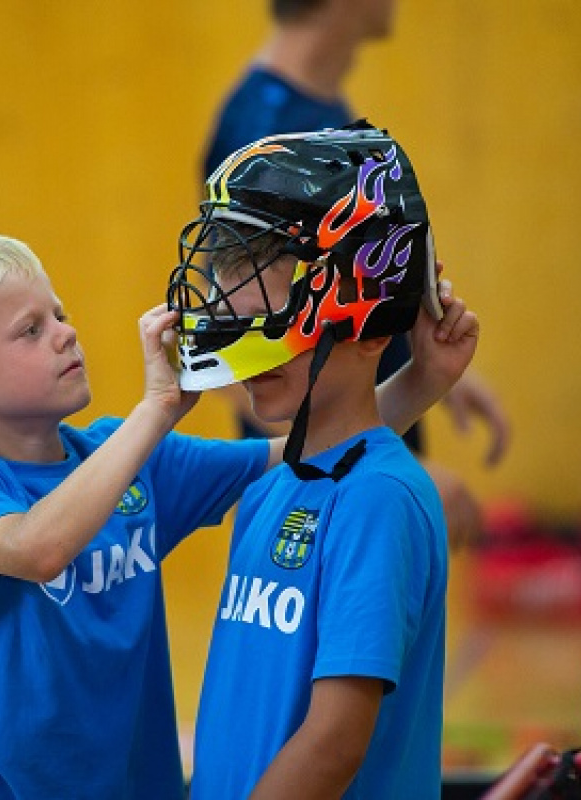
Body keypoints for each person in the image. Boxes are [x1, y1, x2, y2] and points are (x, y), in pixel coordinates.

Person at [0, 233, 468, 798]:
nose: (66, 333)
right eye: (30, 330)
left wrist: (422, 380)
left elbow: (307, 453)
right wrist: (156, 411)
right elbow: (37, 548)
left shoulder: (133, 461)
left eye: (60, 313)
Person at [168, 123, 473, 797]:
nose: (239, 355)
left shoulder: (378, 499)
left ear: (365, 322)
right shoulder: (271, 490)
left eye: (267, 331)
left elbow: (334, 742)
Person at [201, 0, 511, 548]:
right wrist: (367, 454)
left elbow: (343, 289)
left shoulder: (316, 111)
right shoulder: (267, 130)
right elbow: (224, 342)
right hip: (321, 490)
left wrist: (423, 359)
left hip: (356, 461)